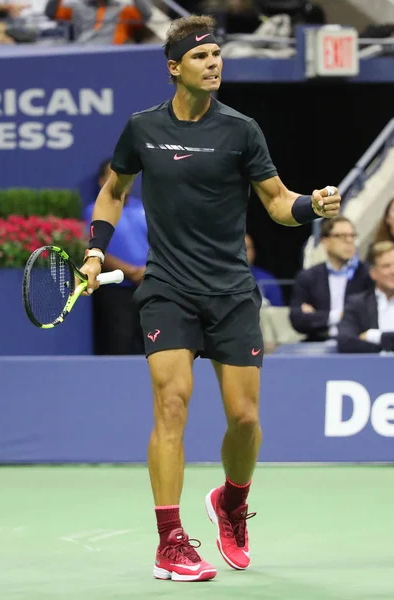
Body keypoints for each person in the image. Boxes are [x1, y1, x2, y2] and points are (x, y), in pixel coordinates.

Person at [79, 14, 341, 582]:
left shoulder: (242, 130)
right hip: (168, 288)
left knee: (244, 419)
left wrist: (310, 208)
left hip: (230, 291)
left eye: (218, 55)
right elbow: (112, 192)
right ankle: (169, 540)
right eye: (201, 57)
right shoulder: (142, 128)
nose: (214, 63)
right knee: (171, 405)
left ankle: (230, 501)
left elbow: (275, 201)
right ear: (175, 68)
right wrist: (96, 252)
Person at [84, 159, 148, 355]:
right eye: (112, 177)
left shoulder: (146, 209)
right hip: (115, 291)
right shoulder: (93, 212)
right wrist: (130, 272)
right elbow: (93, 248)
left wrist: (149, 270)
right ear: (102, 181)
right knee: (119, 346)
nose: (120, 182)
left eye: (124, 177)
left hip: (150, 286)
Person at [290, 216, 372, 342]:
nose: (349, 241)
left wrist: (317, 316)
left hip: (358, 344)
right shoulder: (308, 277)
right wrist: (338, 315)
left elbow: (370, 317)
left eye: (352, 236)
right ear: (325, 241)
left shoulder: (368, 274)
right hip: (318, 344)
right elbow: (297, 320)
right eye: (341, 236)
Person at [337, 241, 394, 353]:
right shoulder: (357, 304)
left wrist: (374, 336)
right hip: (373, 368)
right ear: (373, 273)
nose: (393, 271)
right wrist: (383, 350)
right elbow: (345, 342)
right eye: (386, 266)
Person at [245, 233, 284, 306]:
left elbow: (278, 310)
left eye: (247, 248)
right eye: (239, 249)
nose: (244, 253)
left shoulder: (267, 279)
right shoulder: (222, 279)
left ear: (254, 251)